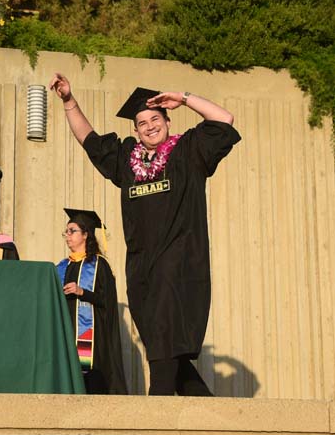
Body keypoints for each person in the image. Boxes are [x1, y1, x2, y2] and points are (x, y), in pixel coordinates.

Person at [49, 74, 241, 396]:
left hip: (179, 266)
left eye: (155, 119)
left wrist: (183, 96)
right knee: (168, 355)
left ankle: (153, 415)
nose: (150, 126)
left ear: (167, 120)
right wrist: (69, 101)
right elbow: (90, 140)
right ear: (135, 131)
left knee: (163, 351)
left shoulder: (189, 150)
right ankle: (213, 416)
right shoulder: (127, 158)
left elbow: (224, 119)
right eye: (142, 122)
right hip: (141, 271)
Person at [56, 209, 128, 395]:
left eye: (72, 231)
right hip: (67, 333)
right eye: (67, 232)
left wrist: (83, 292)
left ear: (86, 234)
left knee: (91, 380)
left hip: (91, 335)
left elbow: (108, 301)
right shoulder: (62, 266)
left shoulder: (99, 265)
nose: (68, 236)